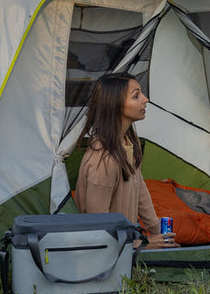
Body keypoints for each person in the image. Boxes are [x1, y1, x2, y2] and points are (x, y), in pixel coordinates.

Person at [74, 72, 175, 249]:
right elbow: (99, 228)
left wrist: (157, 232)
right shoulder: (103, 160)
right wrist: (141, 244)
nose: (145, 99)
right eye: (136, 96)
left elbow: (139, 188)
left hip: (125, 246)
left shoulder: (128, 141)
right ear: (116, 105)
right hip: (104, 256)